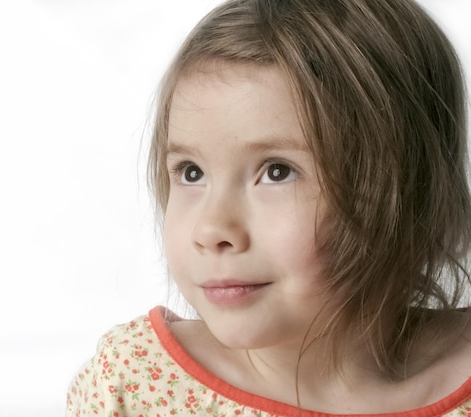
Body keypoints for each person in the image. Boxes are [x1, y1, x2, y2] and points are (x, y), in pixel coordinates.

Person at [66, 0, 471, 415]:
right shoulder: (135, 387)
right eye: (191, 172)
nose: (211, 229)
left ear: (405, 187)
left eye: (277, 172)